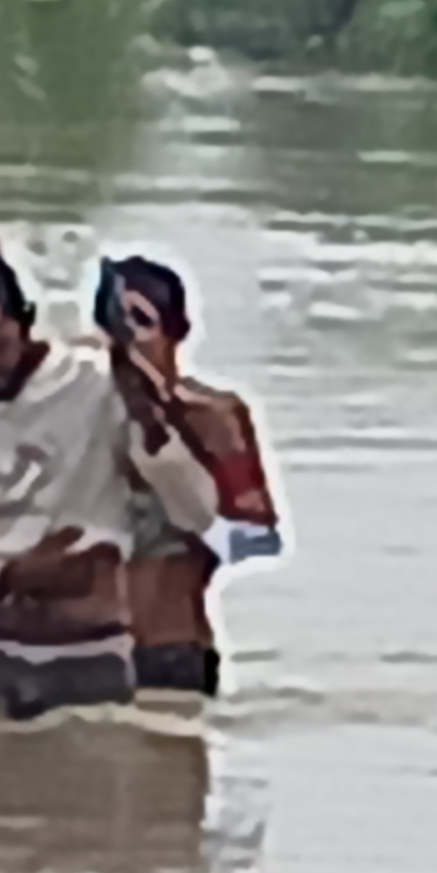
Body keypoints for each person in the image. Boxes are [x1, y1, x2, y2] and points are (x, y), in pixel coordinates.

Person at [0, 248, 222, 723]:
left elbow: (198, 514)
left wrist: (149, 418)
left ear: (24, 319)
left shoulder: (98, 382)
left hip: (92, 656)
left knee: (96, 791)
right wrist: (5, 577)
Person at [93, 257, 281, 700]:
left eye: (141, 322)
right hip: (86, 653)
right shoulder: (77, 413)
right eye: (115, 324)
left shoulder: (212, 415)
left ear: (178, 330)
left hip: (172, 649)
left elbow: (259, 539)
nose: (126, 342)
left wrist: (183, 480)